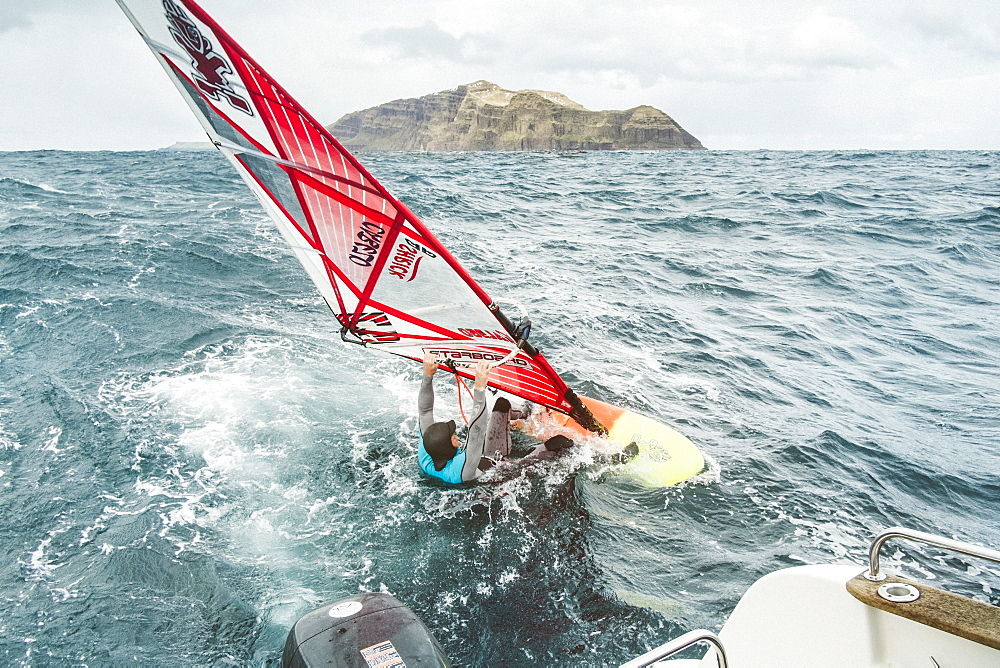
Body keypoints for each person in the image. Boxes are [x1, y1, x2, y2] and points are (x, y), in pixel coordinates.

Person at [417, 352, 572, 483]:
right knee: (557, 443)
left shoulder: (427, 454)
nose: (456, 435)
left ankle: (530, 411)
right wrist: (479, 388)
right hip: (504, 471)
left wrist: (428, 375)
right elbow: (477, 430)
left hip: (485, 456)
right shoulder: (461, 468)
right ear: (449, 445)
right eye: (452, 436)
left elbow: (425, 411)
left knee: (502, 405)